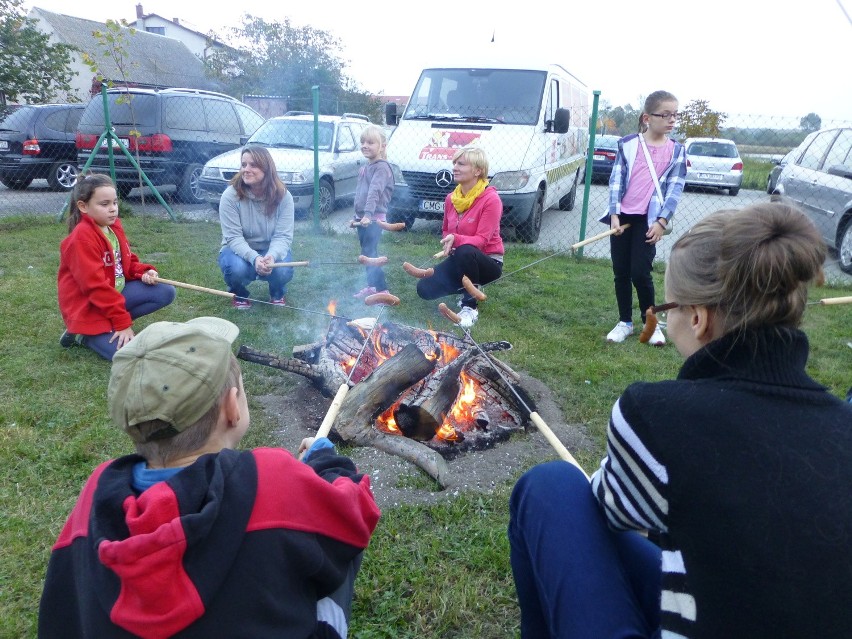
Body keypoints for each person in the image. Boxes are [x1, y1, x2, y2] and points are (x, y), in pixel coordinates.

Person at [508, 201, 852, 638]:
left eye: (665, 307)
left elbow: (611, 510)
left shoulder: (656, 415)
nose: (664, 320)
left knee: (551, 486)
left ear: (697, 317)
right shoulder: (844, 425)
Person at [38, 317, 381, 638]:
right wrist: (326, 462)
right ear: (233, 408)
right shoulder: (270, 477)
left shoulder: (96, 496)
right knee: (337, 544)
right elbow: (358, 511)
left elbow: (62, 607)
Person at [57, 174, 176, 361]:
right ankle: (83, 335)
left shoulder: (112, 226)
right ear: (83, 206)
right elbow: (95, 288)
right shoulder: (81, 239)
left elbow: (126, 261)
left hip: (113, 295)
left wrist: (142, 271)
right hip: (90, 308)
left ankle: (109, 324)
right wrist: (122, 322)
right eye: (104, 205)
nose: (112, 209)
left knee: (165, 291)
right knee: (130, 355)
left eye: (114, 203)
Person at [600, 90, 686, 346]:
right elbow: (616, 181)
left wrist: (661, 222)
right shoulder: (627, 144)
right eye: (666, 114)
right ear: (648, 117)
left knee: (640, 271)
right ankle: (624, 322)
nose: (672, 120)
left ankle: (651, 323)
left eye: (675, 115)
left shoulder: (677, 151)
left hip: (649, 221)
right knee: (621, 271)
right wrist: (614, 215)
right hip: (624, 217)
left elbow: (675, 189)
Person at [416, 147, 503, 328]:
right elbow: (447, 230)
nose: (455, 167)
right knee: (423, 289)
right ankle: (467, 288)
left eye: (461, 164)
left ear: (477, 170)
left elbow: (481, 240)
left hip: (488, 263)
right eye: (454, 163)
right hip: (460, 258)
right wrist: (449, 241)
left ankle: (469, 307)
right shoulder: (451, 198)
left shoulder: (491, 200)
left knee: (465, 251)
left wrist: (456, 239)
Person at [218, 145, 295, 309]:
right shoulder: (230, 196)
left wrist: (272, 256)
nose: (246, 169)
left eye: (253, 165)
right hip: (239, 250)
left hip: (270, 249)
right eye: (243, 164)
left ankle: (277, 291)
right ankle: (239, 294)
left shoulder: (284, 197)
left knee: (283, 270)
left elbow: (283, 236)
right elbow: (233, 238)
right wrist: (254, 258)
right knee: (236, 269)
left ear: (266, 168)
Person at [352, 124, 394, 299]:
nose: (365, 145)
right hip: (363, 218)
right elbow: (360, 194)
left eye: (370, 142)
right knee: (366, 253)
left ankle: (383, 290)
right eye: (363, 142)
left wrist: (368, 215)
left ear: (382, 146)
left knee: (371, 254)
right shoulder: (367, 166)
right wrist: (356, 216)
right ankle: (372, 286)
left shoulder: (382, 168)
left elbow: (374, 192)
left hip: (374, 219)